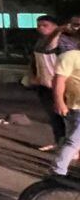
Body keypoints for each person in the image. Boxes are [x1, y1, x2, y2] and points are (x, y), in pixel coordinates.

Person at [32, 15, 77, 151]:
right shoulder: (41, 41)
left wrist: (58, 31)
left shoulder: (65, 42)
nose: (40, 28)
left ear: (55, 26)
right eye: (39, 25)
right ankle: (61, 142)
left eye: (45, 25)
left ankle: (71, 146)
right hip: (44, 84)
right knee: (55, 117)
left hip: (62, 86)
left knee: (69, 118)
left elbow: (50, 47)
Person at [50, 42, 80, 176]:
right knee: (74, 141)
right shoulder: (70, 56)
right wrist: (59, 101)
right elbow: (58, 81)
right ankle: (57, 171)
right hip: (77, 107)